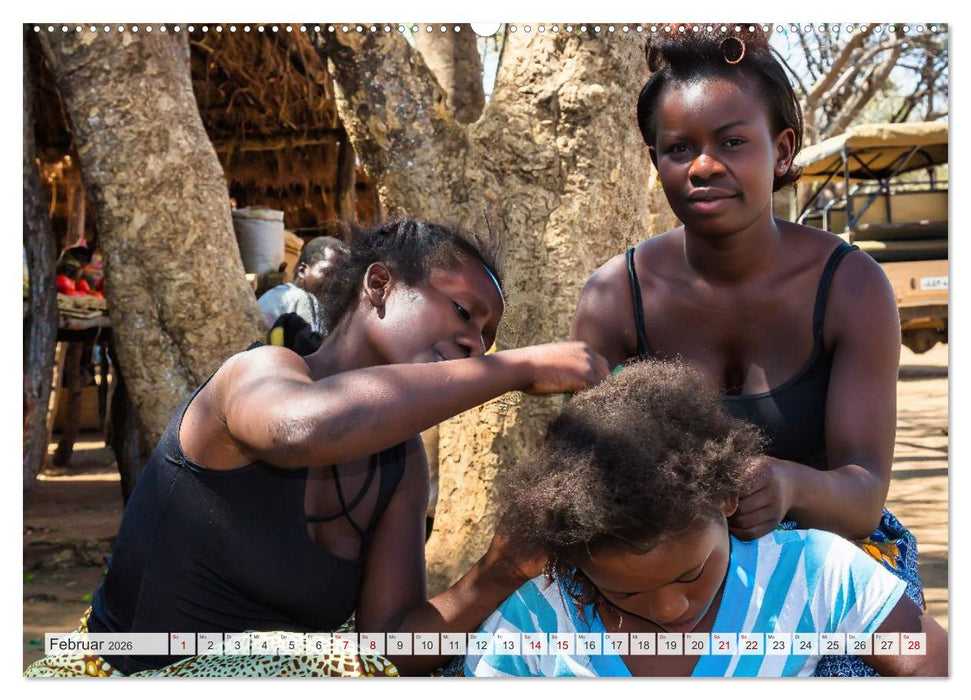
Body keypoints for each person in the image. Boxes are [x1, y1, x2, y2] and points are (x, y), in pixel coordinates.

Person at [26, 218, 608, 678]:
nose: (473, 343)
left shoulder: (399, 464)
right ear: (378, 285)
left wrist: (501, 569)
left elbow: (390, 647)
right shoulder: (256, 373)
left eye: (488, 339)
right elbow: (300, 430)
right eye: (463, 312)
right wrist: (516, 366)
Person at [570, 28, 919, 675]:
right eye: (678, 149)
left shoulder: (850, 288)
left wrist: (787, 484)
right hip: (671, 570)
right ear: (655, 162)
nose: (702, 166)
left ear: (781, 150)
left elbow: (863, 495)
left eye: (731, 141)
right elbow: (589, 483)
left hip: (827, 558)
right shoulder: (614, 297)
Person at [465, 362, 947, 677]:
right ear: (574, 562)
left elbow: (934, 665)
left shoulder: (814, 573)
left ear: (726, 501)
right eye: (626, 593)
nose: (671, 608)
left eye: (691, 573)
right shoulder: (539, 621)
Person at [258, 235, 349, 335]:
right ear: (302, 270)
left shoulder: (277, 295)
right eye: (328, 272)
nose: (336, 281)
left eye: (342, 276)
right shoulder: (297, 298)